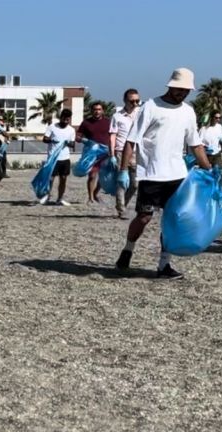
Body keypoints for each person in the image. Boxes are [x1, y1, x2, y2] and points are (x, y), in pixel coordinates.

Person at [114, 68, 210, 279]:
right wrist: (122, 170)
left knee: (172, 221)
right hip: (151, 174)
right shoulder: (151, 107)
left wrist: (209, 170)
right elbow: (132, 140)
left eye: (186, 90)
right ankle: (128, 249)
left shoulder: (188, 112)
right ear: (170, 85)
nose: (182, 93)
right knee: (144, 217)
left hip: (177, 175)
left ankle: (164, 265)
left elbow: (196, 144)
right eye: (179, 89)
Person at [109, 89, 141, 219]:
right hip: (121, 151)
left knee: (134, 184)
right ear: (125, 101)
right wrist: (112, 154)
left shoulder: (141, 114)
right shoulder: (117, 116)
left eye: (137, 101)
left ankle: (124, 204)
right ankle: (121, 209)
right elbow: (112, 136)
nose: (134, 104)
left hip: (136, 151)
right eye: (131, 101)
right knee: (121, 181)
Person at [76, 101, 113, 205]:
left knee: (103, 176)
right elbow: (78, 136)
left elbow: (113, 136)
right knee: (92, 175)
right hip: (92, 153)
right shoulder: (86, 123)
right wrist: (81, 139)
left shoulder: (108, 122)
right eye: (95, 109)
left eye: (99, 109)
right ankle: (91, 197)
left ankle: (96, 193)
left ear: (103, 111)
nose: (97, 111)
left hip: (106, 153)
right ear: (92, 111)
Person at [40, 109, 76, 206]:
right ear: (61, 117)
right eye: (64, 117)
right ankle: (47, 196)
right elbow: (45, 139)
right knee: (51, 178)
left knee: (63, 178)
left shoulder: (71, 130)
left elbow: (73, 144)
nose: (66, 120)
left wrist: (69, 143)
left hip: (65, 158)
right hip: (53, 158)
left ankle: (60, 198)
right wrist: (52, 140)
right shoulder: (52, 127)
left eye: (68, 118)